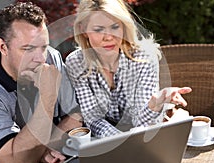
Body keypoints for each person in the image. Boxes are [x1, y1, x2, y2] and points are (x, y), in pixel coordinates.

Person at [0, 2, 82, 163]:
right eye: (28, 49)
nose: (40, 58)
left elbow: (76, 115)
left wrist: (47, 149)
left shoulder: (51, 58)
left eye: (43, 47)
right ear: (3, 47)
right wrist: (48, 97)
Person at [65, 0, 192, 138]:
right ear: (83, 30)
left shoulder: (144, 56)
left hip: (142, 137)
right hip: (105, 142)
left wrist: (153, 106)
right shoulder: (75, 62)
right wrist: (121, 142)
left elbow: (143, 123)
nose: (108, 37)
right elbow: (93, 119)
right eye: (98, 29)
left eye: (115, 27)